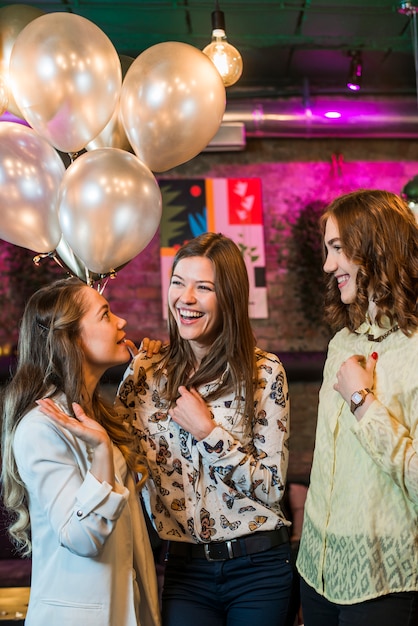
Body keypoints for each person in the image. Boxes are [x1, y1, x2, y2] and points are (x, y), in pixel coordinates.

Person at [115, 232, 293, 626]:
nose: (186, 298)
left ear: (228, 297)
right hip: (185, 571)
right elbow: (117, 454)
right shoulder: (146, 371)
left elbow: (271, 486)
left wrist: (208, 433)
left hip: (258, 568)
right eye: (178, 283)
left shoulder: (264, 373)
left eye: (203, 287)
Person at [0, 277, 161, 626]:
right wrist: (101, 453)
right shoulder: (39, 428)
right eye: (105, 315)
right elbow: (83, 538)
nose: (122, 322)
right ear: (70, 339)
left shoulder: (97, 413)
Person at [296, 189, 418, 626]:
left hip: (383, 580)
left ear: (375, 247)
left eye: (337, 249)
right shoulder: (342, 343)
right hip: (317, 570)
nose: (328, 265)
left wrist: (362, 403)